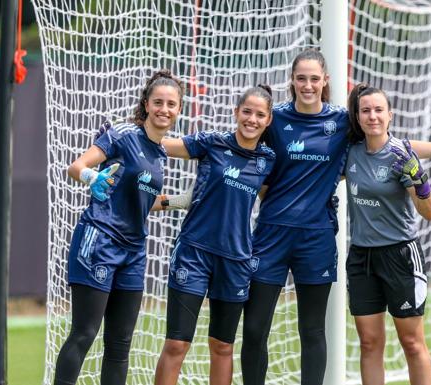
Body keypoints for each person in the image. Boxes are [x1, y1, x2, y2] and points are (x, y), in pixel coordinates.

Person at [240, 49, 431, 385]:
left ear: (325, 82)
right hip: (279, 237)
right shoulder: (276, 120)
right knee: (256, 329)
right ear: (291, 81)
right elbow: (247, 150)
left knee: (316, 330)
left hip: (325, 240)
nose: (307, 85)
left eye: (314, 78)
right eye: (301, 78)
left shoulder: (340, 123)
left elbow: (396, 146)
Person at [53, 69, 184, 385]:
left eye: (171, 104)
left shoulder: (160, 151)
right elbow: (77, 167)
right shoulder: (124, 134)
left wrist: (180, 200)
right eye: (158, 102)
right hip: (99, 241)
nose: (164, 109)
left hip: (134, 252)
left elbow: (142, 201)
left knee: (120, 345)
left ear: (179, 109)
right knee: (84, 333)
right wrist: (92, 178)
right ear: (146, 104)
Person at [153, 85, 276, 385]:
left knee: (222, 346)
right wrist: (122, 143)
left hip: (235, 261)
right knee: (177, 343)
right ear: (236, 113)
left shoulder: (269, 160)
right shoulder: (212, 143)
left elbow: (277, 196)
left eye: (260, 115)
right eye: (247, 112)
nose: (252, 119)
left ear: (268, 120)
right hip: (194, 253)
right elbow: (160, 145)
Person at [345, 83, 431, 385]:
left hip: (400, 256)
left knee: (411, 342)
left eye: (379, 110)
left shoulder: (400, 155)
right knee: (370, 343)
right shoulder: (351, 154)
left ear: (390, 115)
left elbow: (428, 212)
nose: (373, 116)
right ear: (357, 118)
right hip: (361, 258)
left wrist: (421, 181)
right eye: (366, 111)